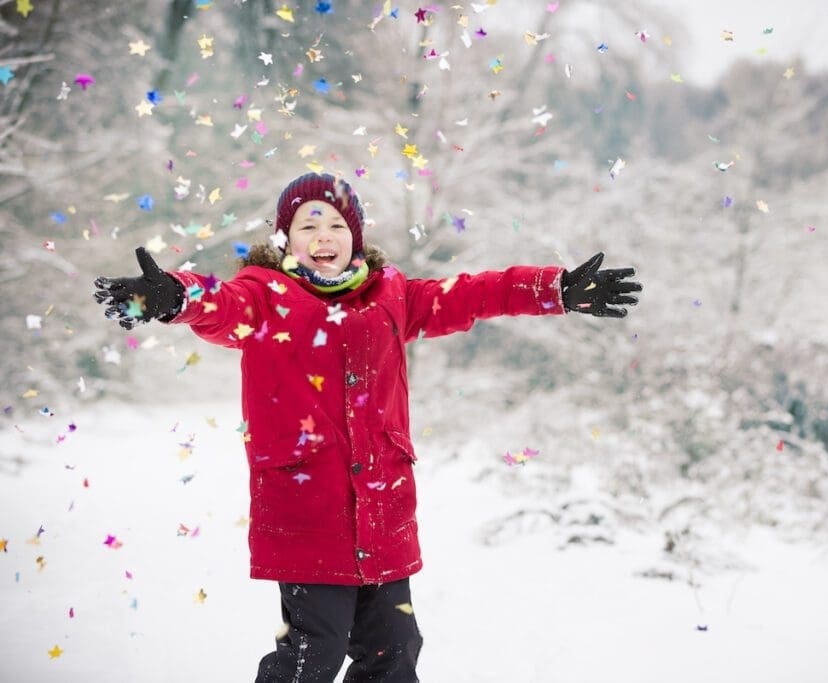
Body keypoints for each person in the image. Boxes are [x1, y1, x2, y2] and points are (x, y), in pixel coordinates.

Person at [93, 172, 642, 682]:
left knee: (396, 650)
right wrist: (173, 295)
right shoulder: (263, 296)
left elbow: (473, 293)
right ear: (286, 238)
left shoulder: (392, 294)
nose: (324, 235)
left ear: (355, 237)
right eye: (309, 225)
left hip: (384, 509)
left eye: (337, 225)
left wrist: (554, 289)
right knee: (315, 651)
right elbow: (218, 302)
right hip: (306, 509)